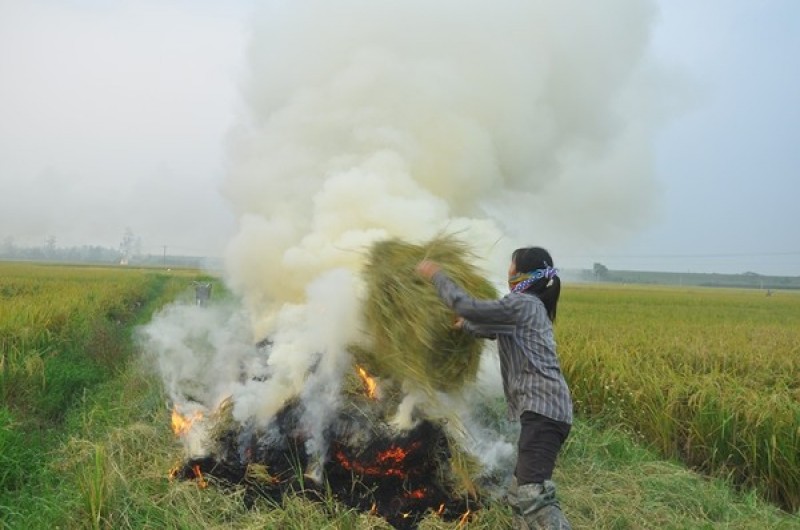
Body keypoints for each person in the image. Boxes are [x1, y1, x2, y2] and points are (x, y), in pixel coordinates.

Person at [416, 247, 573, 530]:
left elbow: (468, 306)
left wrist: (437, 276)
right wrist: (465, 326)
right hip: (544, 412)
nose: (508, 269)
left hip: (544, 412)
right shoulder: (528, 306)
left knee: (532, 497)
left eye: (511, 265)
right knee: (518, 495)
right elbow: (489, 327)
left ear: (521, 272)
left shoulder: (523, 303)